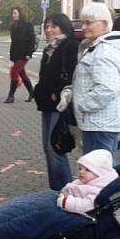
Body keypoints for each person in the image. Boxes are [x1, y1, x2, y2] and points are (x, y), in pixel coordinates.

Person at [58, 2, 120, 159]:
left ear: (104, 24)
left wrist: (82, 105)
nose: (83, 27)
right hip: (100, 122)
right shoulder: (97, 47)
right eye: (82, 22)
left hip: (100, 124)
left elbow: (106, 89)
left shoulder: (104, 51)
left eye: (88, 22)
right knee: (101, 171)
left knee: (98, 173)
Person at [33, 13, 80, 190]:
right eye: (47, 27)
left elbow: (73, 74)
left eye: (53, 26)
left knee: (55, 147)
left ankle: (64, 188)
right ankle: (56, 188)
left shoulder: (70, 46)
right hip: (46, 103)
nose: (49, 30)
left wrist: (57, 92)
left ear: (63, 27)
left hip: (61, 104)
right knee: (47, 146)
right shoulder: (49, 49)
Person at [5, 5, 36, 103]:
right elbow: (13, 42)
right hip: (15, 54)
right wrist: (11, 56)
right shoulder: (13, 26)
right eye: (12, 13)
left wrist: (29, 53)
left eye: (15, 13)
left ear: (20, 14)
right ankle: (32, 93)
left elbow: (32, 40)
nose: (13, 15)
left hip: (24, 54)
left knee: (14, 73)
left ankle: (11, 95)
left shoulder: (28, 25)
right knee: (22, 74)